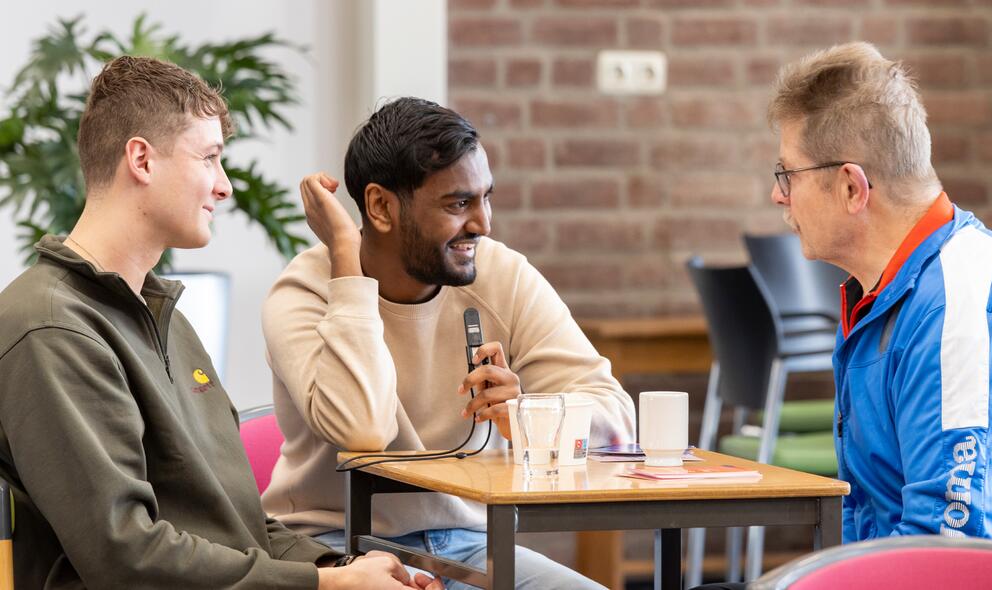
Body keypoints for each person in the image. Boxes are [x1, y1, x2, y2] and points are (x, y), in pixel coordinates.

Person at [0, 56, 440, 590]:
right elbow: (124, 556)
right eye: (209, 158)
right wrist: (327, 587)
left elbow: (238, 527)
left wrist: (341, 568)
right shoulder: (51, 328)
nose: (224, 186)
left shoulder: (167, 322)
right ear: (141, 159)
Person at [260, 97, 636, 589]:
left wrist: (530, 411)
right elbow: (362, 430)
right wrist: (347, 263)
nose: (483, 223)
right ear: (380, 206)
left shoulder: (502, 275)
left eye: (486, 198)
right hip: (334, 544)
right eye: (458, 203)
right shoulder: (304, 293)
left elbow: (615, 414)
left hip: (472, 540)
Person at [768, 42, 992, 544]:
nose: (778, 194)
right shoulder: (882, 291)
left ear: (852, 188)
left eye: (787, 174)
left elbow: (947, 546)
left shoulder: (958, 304)